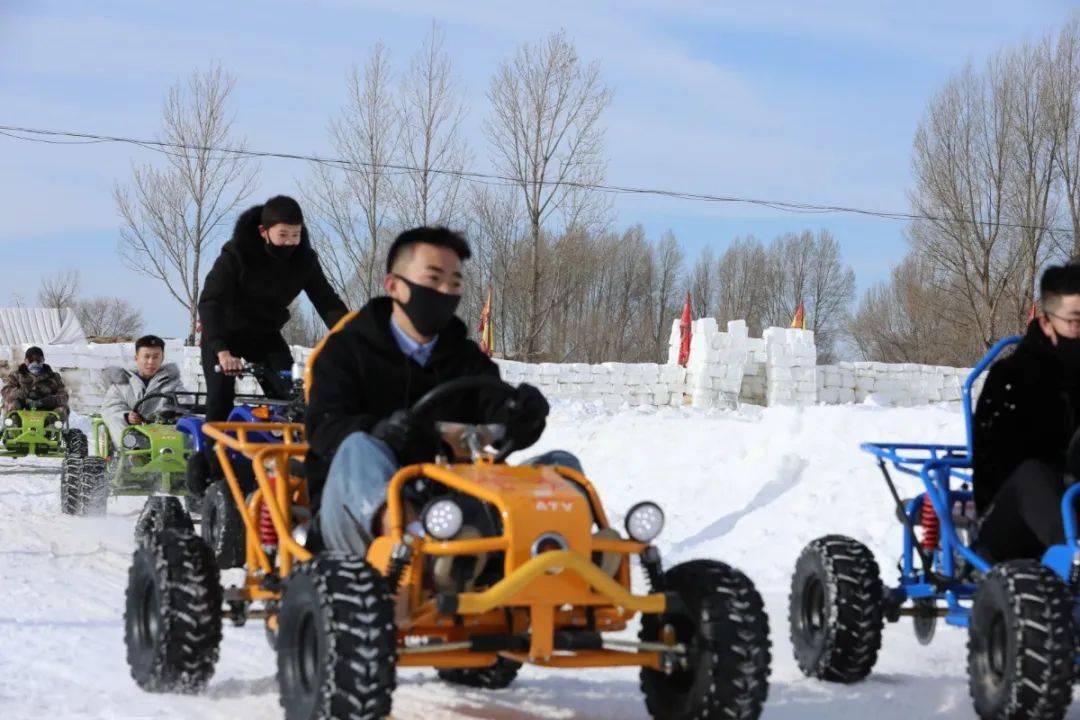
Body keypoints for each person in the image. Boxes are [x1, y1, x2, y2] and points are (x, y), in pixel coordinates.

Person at [305, 226, 570, 554]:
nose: (445, 291)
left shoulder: (465, 358)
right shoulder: (345, 351)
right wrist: (380, 431)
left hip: (450, 509)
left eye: (455, 283)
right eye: (433, 280)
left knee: (562, 467)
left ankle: (569, 565)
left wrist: (521, 413)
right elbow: (323, 426)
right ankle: (413, 551)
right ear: (394, 286)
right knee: (360, 446)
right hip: (357, 511)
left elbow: (494, 409)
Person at [195, 195, 347, 496]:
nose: (291, 242)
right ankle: (212, 477)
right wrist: (222, 350)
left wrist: (353, 333)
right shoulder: (236, 254)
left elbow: (327, 302)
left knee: (292, 399)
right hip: (224, 335)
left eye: (296, 234)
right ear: (264, 232)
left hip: (265, 336)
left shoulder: (304, 260)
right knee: (221, 400)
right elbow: (210, 303)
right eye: (283, 235)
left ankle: (300, 472)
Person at [974, 262, 1080, 562]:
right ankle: (1072, 556)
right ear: (1047, 323)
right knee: (1032, 472)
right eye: (1075, 321)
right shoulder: (1011, 380)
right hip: (1012, 522)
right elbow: (998, 471)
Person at [100, 335, 186, 448]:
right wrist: (126, 416)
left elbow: (184, 404)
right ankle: (132, 455)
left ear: (162, 358)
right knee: (114, 419)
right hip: (131, 435)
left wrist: (169, 413)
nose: (151, 362)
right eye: (146, 356)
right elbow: (110, 408)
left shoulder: (173, 383)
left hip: (163, 437)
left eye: (156, 357)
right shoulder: (122, 383)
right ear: (136, 358)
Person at [1, 346, 69, 419]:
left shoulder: (53, 377)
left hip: (47, 409)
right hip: (22, 408)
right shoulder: (16, 375)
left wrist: (45, 401)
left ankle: (52, 427)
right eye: (30, 360)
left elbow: (64, 395)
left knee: (63, 408)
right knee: (10, 402)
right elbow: (5, 391)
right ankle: (13, 425)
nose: (34, 363)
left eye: (38, 360)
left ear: (43, 361)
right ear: (25, 361)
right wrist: (23, 392)